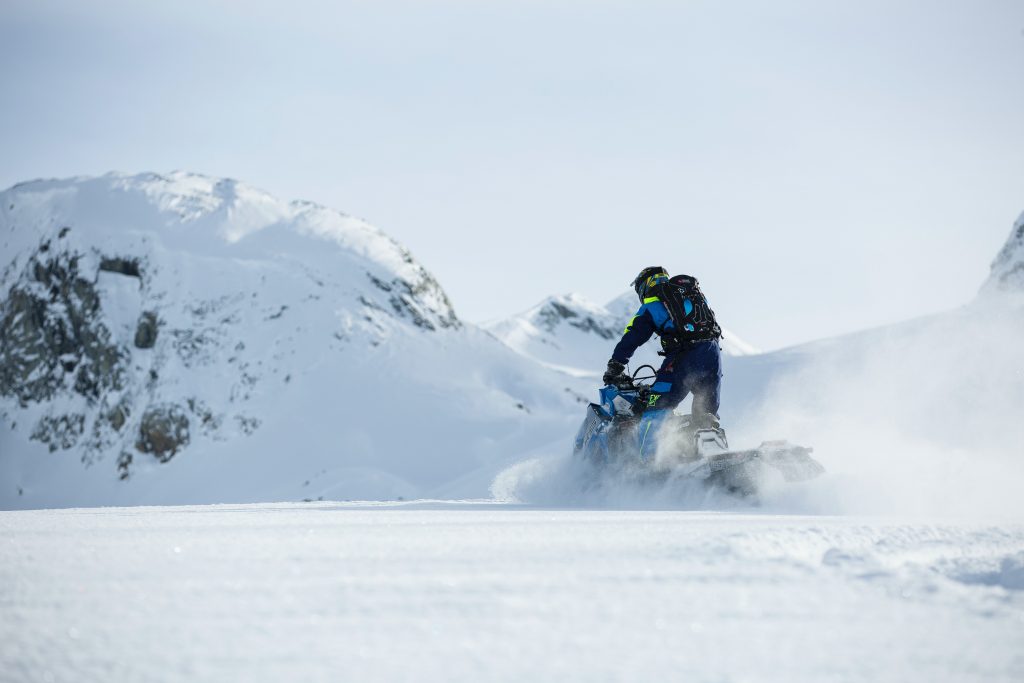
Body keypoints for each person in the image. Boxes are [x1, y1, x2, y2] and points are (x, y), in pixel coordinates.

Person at [601, 266, 723, 459]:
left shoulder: (653, 303)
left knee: (656, 407)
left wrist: (615, 366)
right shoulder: (692, 297)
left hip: (685, 356)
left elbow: (631, 337)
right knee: (705, 415)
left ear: (645, 285)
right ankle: (709, 459)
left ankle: (650, 464)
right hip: (713, 355)